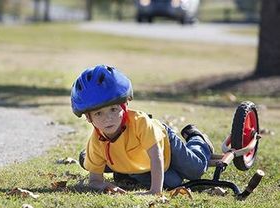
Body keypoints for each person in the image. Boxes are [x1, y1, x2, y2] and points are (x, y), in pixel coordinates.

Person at [71, 64, 214, 194]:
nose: (108, 118)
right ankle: (125, 173)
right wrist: (106, 185)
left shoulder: (141, 123)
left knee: (195, 170)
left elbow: (156, 156)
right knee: (173, 182)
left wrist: (155, 191)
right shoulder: (96, 142)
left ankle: (196, 138)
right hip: (136, 162)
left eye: (113, 109)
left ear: (125, 105)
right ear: (89, 118)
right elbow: (95, 181)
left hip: (163, 143)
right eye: (98, 113)